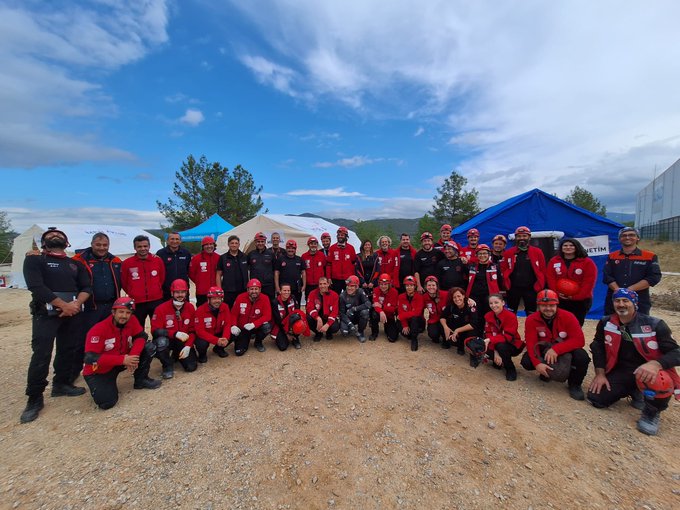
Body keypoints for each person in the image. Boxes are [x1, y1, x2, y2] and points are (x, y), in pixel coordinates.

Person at [20, 227, 92, 424]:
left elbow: (86, 287)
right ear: (43, 243)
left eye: (59, 235)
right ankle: (34, 398)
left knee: (68, 349)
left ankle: (61, 384)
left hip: (73, 313)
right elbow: (36, 286)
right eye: (50, 236)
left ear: (66, 242)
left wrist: (76, 304)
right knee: (41, 354)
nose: (55, 236)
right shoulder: (35, 260)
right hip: (46, 314)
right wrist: (63, 305)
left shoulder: (74, 264)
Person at [588, 289, 680, 436]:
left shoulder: (655, 324)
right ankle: (634, 390)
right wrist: (600, 374)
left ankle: (651, 413)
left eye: (625, 301)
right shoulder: (606, 322)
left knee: (659, 380)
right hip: (623, 369)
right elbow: (597, 346)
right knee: (596, 398)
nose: (621, 304)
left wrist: (655, 364)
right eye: (617, 301)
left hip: (650, 371)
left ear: (634, 303)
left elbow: (676, 353)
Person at [82, 297, 161, 410]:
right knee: (106, 403)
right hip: (100, 370)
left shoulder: (132, 320)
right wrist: (123, 360)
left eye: (128, 312)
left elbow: (141, 336)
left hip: (122, 359)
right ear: (113, 312)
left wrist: (133, 356)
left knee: (148, 347)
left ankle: (141, 380)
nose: (124, 316)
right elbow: (90, 357)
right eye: (121, 312)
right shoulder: (98, 329)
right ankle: (103, 385)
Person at [71, 232, 122, 383]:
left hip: (111, 305)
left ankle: (106, 365)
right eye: (98, 245)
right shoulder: (79, 260)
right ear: (92, 244)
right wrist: (38, 254)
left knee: (110, 336)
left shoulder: (115, 260)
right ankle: (75, 371)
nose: (101, 248)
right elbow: (60, 264)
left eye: (105, 245)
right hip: (90, 307)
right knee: (84, 339)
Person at [521, 289, 590, 400]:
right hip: (545, 348)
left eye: (552, 305)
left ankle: (575, 384)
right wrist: (537, 364)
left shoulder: (568, 317)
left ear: (557, 304)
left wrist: (557, 349)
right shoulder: (531, 319)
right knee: (527, 361)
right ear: (538, 306)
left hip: (564, 348)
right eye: (544, 305)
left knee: (582, 357)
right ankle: (546, 372)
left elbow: (579, 340)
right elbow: (531, 343)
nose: (548, 308)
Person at [602, 227, 661, 315]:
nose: (627, 237)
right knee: (611, 326)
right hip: (615, 299)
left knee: (638, 326)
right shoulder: (612, 256)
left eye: (631, 235)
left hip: (640, 300)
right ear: (620, 239)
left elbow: (654, 277)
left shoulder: (650, 256)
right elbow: (607, 276)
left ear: (637, 238)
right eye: (624, 235)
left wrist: (629, 290)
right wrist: (618, 291)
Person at [150, 279, 198, 379]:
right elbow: (155, 331)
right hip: (169, 340)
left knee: (191, 367)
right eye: (177, 292)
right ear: (172, 293)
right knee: (161, 342)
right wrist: (174, 333)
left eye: (183, 292)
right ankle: (167, 365)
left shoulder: (190, 307)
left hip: (183, 341)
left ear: (186, 293)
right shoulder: (161, 309)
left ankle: (177, 354)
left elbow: (193, 330)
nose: (180, 295)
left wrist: (188, 346)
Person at [545, 238, 597, 325]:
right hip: (560, 299)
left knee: (576, 323)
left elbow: (589, 282)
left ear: (577, 247)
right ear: (561, 248)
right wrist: (556, 294)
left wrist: (576, 297)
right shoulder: (554, 261)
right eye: (565, 245)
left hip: (580, 301)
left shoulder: (587, 262)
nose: (568, 247)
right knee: (560, 323)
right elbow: (550, 278)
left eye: (571, 245)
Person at [121, 235, 165, 328]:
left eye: (145, 246)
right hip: (137, 302)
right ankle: (140, 342)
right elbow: (124, 282)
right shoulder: (127, 263)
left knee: (158, 327)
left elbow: (162, 278)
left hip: (156, 300)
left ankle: (157, 343)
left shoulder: (157, 260)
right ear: (135, 248)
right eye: (139, 246)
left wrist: (155, 289)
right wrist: (133, 292)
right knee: (137, 328)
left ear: (149, 247)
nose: (143, 249)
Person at [502, 226, 546, 316]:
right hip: (513, 288)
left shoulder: (537, 252)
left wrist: (538, 286)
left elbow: (543, 270)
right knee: (511, 313)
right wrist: (506, 285)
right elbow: (503, 269)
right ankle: (511, 330)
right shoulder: (509, 252)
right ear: (515, 238)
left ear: (529, 237)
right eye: (519, 236)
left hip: (531, 289)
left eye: (524, 236)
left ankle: (531, 330)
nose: (522, 238)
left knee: (532, 313)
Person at [482, 294, 524, 381]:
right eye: (491, 303)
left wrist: (490, 340)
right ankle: (499, 360)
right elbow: (488, 332)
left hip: (512, 344)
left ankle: (510, 369)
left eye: (496, 302)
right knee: (482, 345)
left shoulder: (511, 316)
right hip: (496, 344)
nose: (493, 305)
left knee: (500, 346)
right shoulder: (488, 316)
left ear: (503, 303)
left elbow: (507, 336)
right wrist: (495, 352)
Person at [230, 278, 272, 355]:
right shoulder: (240, 297)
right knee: (239, 352)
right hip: (243, 328)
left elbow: (268, 316)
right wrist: (233, 325)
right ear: (247, 290)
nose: (254, 291)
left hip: (256, 327)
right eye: (251, 289)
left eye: (256, 289)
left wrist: (254, 324)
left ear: (260, 290)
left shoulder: (265, 298)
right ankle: (246, 338)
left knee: (267, 327)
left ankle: (258, 342)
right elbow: (233, 314)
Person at [466, 244, 502, 332]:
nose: (482, 255)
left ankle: (489, 332)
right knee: (476, 316)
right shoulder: (472, 266)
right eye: (480, 254)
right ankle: (477, 333)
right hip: (475, 296)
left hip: (489, 296)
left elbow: (500, 282)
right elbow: (467, 280)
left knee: (489, 315)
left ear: (489, 254)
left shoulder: (495, 266)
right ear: (477, 255)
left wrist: (499, 296)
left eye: (484, 253)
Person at [193, 287, 232, 361]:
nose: (217, 301)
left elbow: (227, 324)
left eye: (219, 298)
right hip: (206, 333)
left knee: (233, 332)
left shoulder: (225, 307)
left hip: (218, 331)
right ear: (209, 299)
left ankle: (219, 349)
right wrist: (216, 340)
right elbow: (199, 331)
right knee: (201, 343)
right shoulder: (200, 310)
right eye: (214, 299)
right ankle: (202, 354)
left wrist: (225, 338)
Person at [440, 287, 478, 354]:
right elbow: (442, 317)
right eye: (454, 297)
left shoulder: (470, 306)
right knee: (442, 326)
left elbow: (473, 324)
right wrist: (446, 328)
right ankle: (452, 343)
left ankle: (471, 353)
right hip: (455, 328)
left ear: (463, 296)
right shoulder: (451, 306)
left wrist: (457, 330)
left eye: (459, 296)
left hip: (465, 330)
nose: (457, 299)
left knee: (471, 337)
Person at [271, 283, 307, 350]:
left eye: (288, 291)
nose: (287, 292)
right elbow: (277, 321)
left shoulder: (293, 298)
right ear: (280, 291)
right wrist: (286, 334)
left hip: (291, 323)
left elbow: (297, 311)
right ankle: (285, 337)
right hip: (280, 326)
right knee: (283, 347)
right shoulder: (275, 302)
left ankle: (295, 338)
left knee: (297, 318)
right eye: (284, 290)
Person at [156, 232, 191, 301]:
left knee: (184, 310)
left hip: (183, 290)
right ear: (167, 241)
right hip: (166, 291)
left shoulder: (186, 253)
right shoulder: (160, 253)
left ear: (180, 241)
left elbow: (189, 269)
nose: (175, 241)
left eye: (177, 239)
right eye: (172, 239)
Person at [216, 235, 249, 307]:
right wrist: (220, 290)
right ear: (228, 244)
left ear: (239, 244)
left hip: (243, 290)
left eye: (236, 243)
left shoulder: (245, 257)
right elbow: (218, 274)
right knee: (229, 310)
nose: (234, 245)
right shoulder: (223, 258)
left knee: (242, 309)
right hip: (228, 291)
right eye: (232, 243)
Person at [189, 236, 221, 307]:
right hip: (202, 292)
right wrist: (200, 282)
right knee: (202, 311)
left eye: (211, 244)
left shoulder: (218, 258)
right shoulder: (196, 259)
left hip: (215, 291)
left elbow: (221, 273)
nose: (209, 246)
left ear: (214, 245)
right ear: (203, 246)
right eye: (206, 244)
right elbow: (191, 274)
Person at [338, 275, 372, 342]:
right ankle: (351, 327)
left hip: (358, 315)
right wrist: (349, 323)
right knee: (344, 332)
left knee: (365, 312)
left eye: (352, 286)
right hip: (348, 317)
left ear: (356, 287)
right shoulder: (342, 296)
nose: (349, 288)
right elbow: (341, 313)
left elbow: (368, 304)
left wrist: (354, 309)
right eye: (348, 286)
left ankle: (360, 332)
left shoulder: (360, 291)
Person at [306, 276, 340, 341]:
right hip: (317, 318)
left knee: (335, 327)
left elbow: (335, 312)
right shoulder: (312, 293)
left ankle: (328, 332)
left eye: (324, 283)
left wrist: (328, 324)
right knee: (308, 318)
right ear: (318, 285)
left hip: (327, 318)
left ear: (328, 284)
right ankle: (318, 333)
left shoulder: (334, 295)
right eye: (320, 284)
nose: (322, 286)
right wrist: (317, 318)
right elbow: (309, 308)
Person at [326, 226, 357, 294]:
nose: (340, 236)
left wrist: (353, 277)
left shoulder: (351, 248)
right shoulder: (332, 248)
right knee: (335, 297)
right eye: (339, 235)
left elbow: (354, 264)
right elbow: (328, 264)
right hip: (335, 279)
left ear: (346, 236)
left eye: (342, 235)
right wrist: (328, 278)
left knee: (349, 297)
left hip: (348, 279)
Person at [397, 276, 425, 351]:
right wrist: (405, 325)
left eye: (411, 285)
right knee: (403, 331)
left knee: (414, 318)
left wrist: (402, 316)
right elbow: (400, 311)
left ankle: (414, 339)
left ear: (415, 286)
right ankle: (410, 333)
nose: (409, 287)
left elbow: (417, 312)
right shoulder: (401, 297)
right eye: (407, 285)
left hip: (417, 321)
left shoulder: (420, 297)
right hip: (407, 320)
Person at [369, 273, 400, 342]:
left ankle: (387, 327)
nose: (383, 286)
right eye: (381, 284)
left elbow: (393, 309)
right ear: (379, 284)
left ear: (389, 284)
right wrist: (381, 311)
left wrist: (382, 307)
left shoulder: (394, 292)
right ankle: (374, 332)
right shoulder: (376, 290)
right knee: (374, 313)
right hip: (379, 313)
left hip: (389, 316)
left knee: (392, 338)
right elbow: (376, 304)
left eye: (385, 284)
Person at [248, 232, 276, 300]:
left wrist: (275, 285)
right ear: (255, 242)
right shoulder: (251, 254)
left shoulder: (271, 254)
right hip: (255, 287)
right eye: (258, 241)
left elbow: (275, 271)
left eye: (262, 241)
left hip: (268, 286)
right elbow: (247, 270)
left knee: (270, 304)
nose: (260, 243)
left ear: (265, 242)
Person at [422, 275, 448, 344]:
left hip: (446, 320)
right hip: (434, 320)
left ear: (437, 286)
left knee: (448, 340)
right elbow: (419, 309)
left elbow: (457, 294)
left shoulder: (445, 294)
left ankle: (446, 338)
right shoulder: (424, 297)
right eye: (429, 285)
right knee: (433, 334)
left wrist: (468, 299)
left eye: (433, 285)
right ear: (425, 286)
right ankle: (436, 336)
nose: (431, 287)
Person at [301, 236, 327, 302]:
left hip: (319, 284)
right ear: (308, 245)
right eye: (311, 244)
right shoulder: (304, 256)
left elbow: (325, 267)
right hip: (308, 284)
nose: (313, 245)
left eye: (315, 244)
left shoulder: (322, 255)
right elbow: (302, 271)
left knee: (321, 300)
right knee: (309, 300)